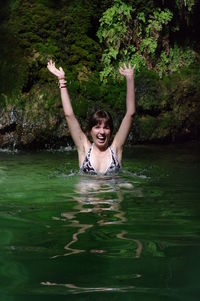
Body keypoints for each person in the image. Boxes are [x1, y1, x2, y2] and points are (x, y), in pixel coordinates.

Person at [47, 60, 136, 175]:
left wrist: (130, 79)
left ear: (111, 131)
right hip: (88, 192)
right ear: (90, 131)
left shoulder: (116, 148)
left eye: (106, 127)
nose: (102, 132)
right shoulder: (84, 148)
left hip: (110, 192)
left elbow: (130, 114)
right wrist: (61, 80)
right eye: (97, 127)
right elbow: (69, 116)